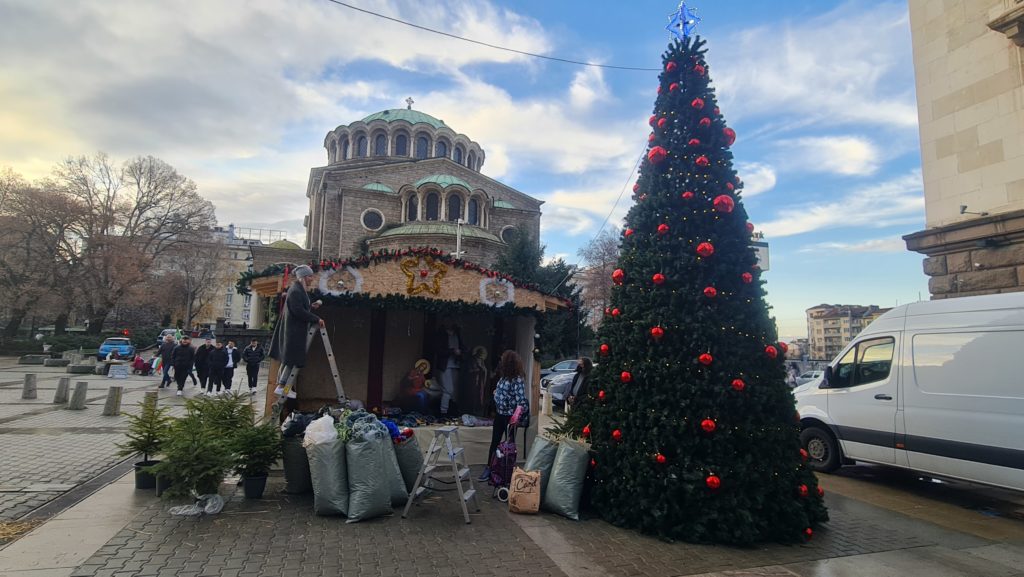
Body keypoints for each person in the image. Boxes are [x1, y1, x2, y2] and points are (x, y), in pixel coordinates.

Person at [269, 265, 324, 399]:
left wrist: (311, 306)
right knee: (292, 360)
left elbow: (299, 307)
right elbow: (298, 311)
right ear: (304, 277)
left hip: (294, 330)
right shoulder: (296, 291)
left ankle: (283, 387)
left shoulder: (298, 290)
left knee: (288, 360)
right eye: (310, 276)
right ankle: (282, 386)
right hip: (293, 332)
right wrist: (316, 319)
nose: (312, 279)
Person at [479, 350, 529, 481]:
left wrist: (516, 419)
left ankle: (507, 472)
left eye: (503, 361)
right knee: (494, 442)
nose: (500, 363)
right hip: (499, 415)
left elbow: (521, 401)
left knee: (509, 446)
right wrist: (497, 393)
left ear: (508, 363)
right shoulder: (503, 378)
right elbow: (501, 392)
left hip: (510, 418)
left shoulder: (517, 380)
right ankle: (489, 468)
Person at [434, 321, 464, 416]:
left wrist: (463, 351)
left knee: (454, 391)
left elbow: (461, 345)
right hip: (445, 365)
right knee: (448, 389)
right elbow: (439, 350)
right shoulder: (441, 334)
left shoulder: (457, 334)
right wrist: (452, 351)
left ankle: (452, 411)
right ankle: (443, 412)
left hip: (455, 364)